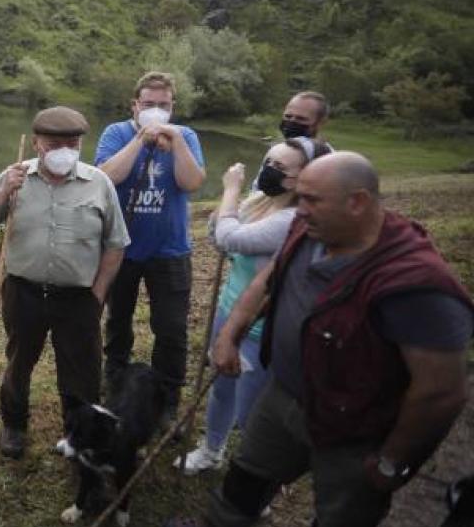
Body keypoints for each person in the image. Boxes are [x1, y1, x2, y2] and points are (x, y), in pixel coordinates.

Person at [182, 152, 474, 527]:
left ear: (358, 202)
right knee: (243, 485)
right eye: (299, 197)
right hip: (283, 396)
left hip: (354, 430)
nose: (299, 210)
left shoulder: (416, 283)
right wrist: (228, 334)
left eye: (312, 200)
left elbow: (441, 392)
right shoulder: (307, 230)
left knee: (341, 515)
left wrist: (392, 461)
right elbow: (267, 282)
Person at [0, 106, 129, 459]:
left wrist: (98, 294)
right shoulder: (15, 177)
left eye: (72, 143)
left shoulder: (98, 183)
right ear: (37, 143)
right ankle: (14, 424)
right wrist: (2, 193)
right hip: (23, 291)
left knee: (82, 373)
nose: (64, 150)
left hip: (79, 297)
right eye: (55, 143)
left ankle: (79, 432)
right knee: (18, 362)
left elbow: (116, 244)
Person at [176, 137, 329, 475]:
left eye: (280, 168)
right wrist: (229, 213)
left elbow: (233, 238)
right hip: (230, 309)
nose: (268, 171)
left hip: (262, 328)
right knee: (221, 388)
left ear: (305, 179)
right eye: (268, 162)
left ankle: (256, 474)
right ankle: (211, 450)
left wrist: (230, 190)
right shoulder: (262, 200)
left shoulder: (293, 219)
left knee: (252, 410)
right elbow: (218, 236)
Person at [95, 71, 206, 420]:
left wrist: (176, 143)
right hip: (122, 248)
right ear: (135, 105)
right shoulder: (116, 133)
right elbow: (107, 177)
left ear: (173, 107)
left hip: (170, 250)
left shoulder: (185, 136)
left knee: (171, 327)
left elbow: (191, 183)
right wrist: (141, 140)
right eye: (149, 105)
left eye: (163, 105)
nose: (156, 110)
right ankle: (115, 380)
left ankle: (167, 395)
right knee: (118, 319)